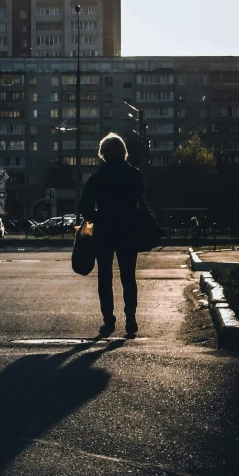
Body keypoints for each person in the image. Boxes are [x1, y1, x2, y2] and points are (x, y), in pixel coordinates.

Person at [78, 132, 148, 338]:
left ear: (103, 154)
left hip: (105, 231)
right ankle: (131, 319)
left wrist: (98, 217)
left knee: (105, 277)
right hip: (128, 230)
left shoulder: (97, 178)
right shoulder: (134, 174)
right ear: (123, 152)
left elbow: (84, 207)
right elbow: (140, 200)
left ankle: (108, 321)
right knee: (128, 276)